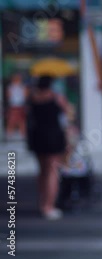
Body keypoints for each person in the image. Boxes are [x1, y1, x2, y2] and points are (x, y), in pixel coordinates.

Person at [27, 75, 70, 220]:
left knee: (42, 171)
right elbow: (66, 118)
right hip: (54, 136)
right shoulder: (57, 98)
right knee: (53, 171)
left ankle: (42, 202)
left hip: (38, 136)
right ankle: (49, 205)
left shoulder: (33, 98)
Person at [6, 73, 28, 139]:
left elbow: (25, 95)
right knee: (13, 121)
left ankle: (22, 134)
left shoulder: (22, 87)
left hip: (19, 105)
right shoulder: (11, 87)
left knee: (21, 121)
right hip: (14, 106)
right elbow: (8, 96)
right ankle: (9, 134)